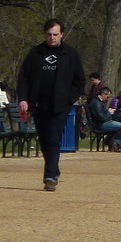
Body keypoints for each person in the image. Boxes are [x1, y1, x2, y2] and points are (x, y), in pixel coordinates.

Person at [17, 19, 86, 191]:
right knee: (44, 141)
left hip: (60, 106)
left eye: (55, 34)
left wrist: (69, 98)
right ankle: (53, 170)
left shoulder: (70, 54)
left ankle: (50, 176)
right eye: (49, 34)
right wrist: (24, 99)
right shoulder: (35, 53)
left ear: (62, 34)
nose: (52, 38)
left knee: (53, 139)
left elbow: (79, 81)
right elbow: (24, 77)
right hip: (39, 105)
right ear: (44, 34)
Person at [85, 86, 121, 151]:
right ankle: (117, 144)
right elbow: (100, 117)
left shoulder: (97, 102)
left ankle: (114, 144)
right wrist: (110, 113)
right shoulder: (96, 103)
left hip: (103, 122)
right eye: (107, 96)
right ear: (103, 94)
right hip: (101, 124)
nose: (107, 98)